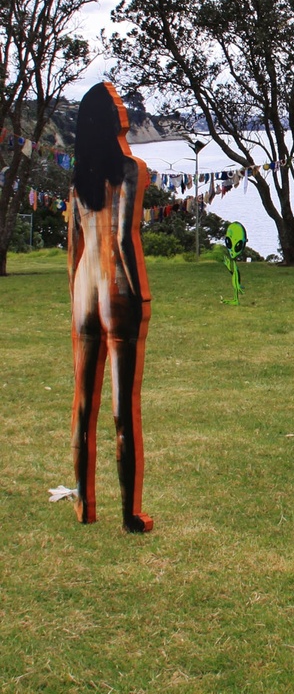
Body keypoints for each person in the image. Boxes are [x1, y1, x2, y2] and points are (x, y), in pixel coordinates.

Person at [67, 82, 154, 533]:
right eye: (117, 102)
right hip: (117, 288)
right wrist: (141, 295)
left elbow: (74, 248)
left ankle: (84, 503)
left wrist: (73, 293)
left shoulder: (79, 179)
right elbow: (123, 238)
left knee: (84, 404)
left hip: (83, 287)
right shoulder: (130, 170)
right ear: (107, 118)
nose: (124, 107)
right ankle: (130, 514)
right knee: (124, 407)